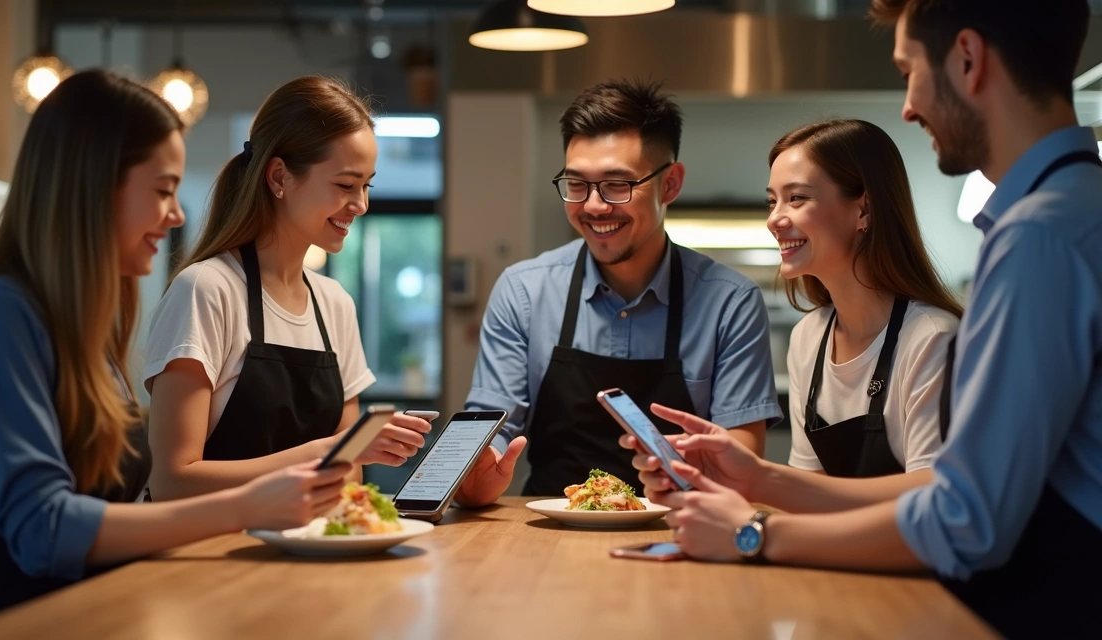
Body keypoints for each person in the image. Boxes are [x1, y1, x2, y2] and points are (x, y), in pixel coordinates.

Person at [628, 1, 1100, 636]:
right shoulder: (1074, 211)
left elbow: (965, 518)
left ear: (967, 58)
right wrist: (760, 479)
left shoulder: (1037, 240)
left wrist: (754, 532)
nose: (907, 105)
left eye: (909, 70)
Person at [0, 70, 351, 635]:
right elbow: (43, 528)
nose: (175, 216)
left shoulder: (83, 332)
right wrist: (247, 506)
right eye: (163, 189)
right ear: (95, 184)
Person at [455, 79, 782, 506]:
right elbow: (491, 425)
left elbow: (740, 458)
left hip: (681, 529)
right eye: (576, 184)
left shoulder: (729, 302)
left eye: (616, 184)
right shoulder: (524, 290)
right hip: (547, 534)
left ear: (671, 184)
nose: (593, 206)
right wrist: (472, 469)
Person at [143, 77, 431, 501]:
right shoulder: (207, 290)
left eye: (366, 185)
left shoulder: (335, 304)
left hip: (306, 554)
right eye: (345, 185)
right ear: (279, 175)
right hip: (205, 556)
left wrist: (345, 458)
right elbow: (172, 482)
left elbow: (348, 476)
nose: (361, 204)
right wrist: (323, 454)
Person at [769, 119, 960, 479]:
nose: (774, 219)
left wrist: (764, 481)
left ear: (864, 210)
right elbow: (808, 490)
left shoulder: (932, 338)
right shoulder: (808, 337)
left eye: (796, 198)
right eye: (772, 201)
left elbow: (931, 496)